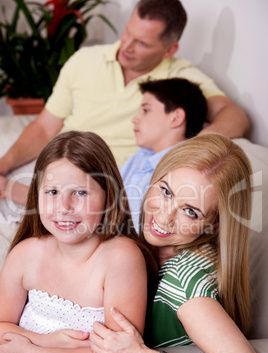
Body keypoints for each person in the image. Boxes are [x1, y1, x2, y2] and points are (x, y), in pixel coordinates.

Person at [0, 0, 249, 205]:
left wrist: (186, 151)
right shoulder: (84, 60)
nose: (126, 47)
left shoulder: (181, 78)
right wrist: (4, 165)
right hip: (59, 163)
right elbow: (44, 127)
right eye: (127, 33)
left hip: (102, 182)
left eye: (141, 43)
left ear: (169, 50)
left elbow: (235, 116)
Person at [89, 135, 268, 353]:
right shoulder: (142, 246)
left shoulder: (183, 280)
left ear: (214, 224)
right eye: (166, 191)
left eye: (190, 212)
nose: (164, 217)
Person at [0, 130, 157, 353]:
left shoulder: (120, 258)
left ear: (108, 196)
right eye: (52, 192)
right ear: (36, 195)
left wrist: (32, 351)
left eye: (80, 192)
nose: (64, 207)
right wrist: (52, 341)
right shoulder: (25, 254)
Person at [120, 77, 207, 232]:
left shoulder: (183, 171)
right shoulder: (140, 156)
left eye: (146, 110)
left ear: (176, 118)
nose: (134, 119)